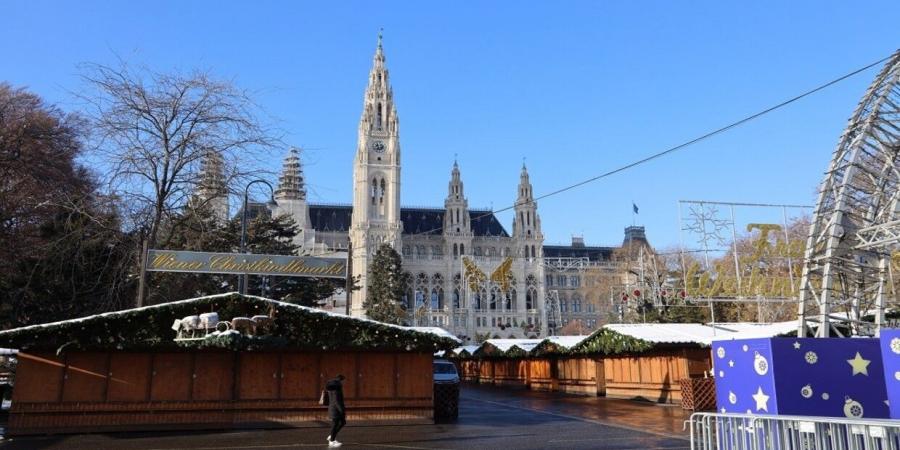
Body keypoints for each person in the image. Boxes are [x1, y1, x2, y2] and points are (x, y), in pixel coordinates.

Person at [325, 374, 346, 447]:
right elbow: (337, 401)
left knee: (341, 422)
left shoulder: (333, 387)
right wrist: (342, 411)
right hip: (336, 409)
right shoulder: (336, 389)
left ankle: (331, 436)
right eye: (344, 381)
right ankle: (331, 441)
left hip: (333, 408)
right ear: (341, 380)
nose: (344, 383)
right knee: (335, 424)